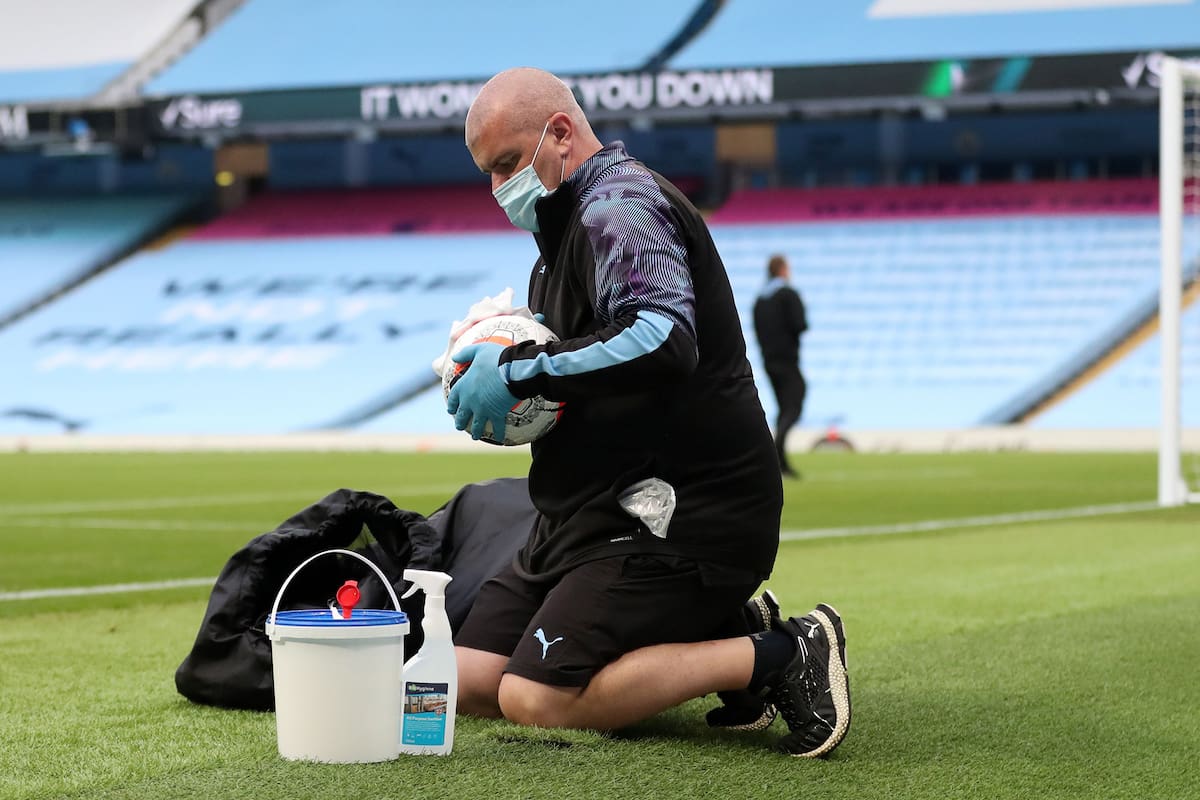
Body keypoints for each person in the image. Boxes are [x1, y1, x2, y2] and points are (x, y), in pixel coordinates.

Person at [444, 67, 851, 757]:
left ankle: (784, 650)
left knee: (534, 697)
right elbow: (582, 378)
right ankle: (724, 626)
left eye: (507, 163)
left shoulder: (619, 207)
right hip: (589, 516)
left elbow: (661, 338)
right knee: (464, 678)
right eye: (488, 172)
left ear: (562, 133)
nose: (497, 189)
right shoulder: (560, 237)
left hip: (681, 515)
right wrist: (498, 352)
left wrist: (517, 372)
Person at [753, 254, 808, 479]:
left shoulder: (761, 299)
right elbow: (800, 324)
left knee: (783, 407)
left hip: (769, 360)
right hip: (787, 359)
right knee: (793, 404)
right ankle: (777, 453)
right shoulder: (788, 294)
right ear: (782, 270)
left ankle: (781, 460)